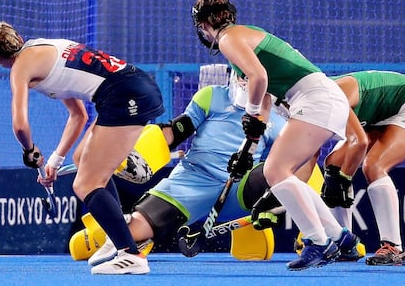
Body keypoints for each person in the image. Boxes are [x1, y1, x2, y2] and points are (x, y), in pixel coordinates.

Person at [0, 21, 164, 275]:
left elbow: (20, 125)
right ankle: (117, 234)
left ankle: (131, 254)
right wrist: (54, 162)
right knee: (82, 159)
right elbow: (78, 115)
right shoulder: (43, 49)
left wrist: (30, 150)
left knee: (85, 185)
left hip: (122, 95)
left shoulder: (20, 67)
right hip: (131, 85)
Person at [190, 0, 360, 270]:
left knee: (275, 170)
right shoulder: (244, 35)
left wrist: (252, 114)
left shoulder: (227, 38)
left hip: (316, 98)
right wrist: (250, 146)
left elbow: (259, 79)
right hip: (322, 97)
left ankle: (318, 241)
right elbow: (265, 98)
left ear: (204, 24)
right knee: (282, 171)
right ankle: (340, 238)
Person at [84, 64, 297, 266]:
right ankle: (95, 236)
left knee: (275, 169)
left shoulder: (278, 122)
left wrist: (298, 217)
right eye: (246, 75)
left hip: (238, 190)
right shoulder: (212, 96)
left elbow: (291, 164)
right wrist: (135, 152)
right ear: (236, 74)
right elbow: (176, 131)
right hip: (190, 181)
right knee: (129, 234)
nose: (250, 82)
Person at [321, 70, 405, 266]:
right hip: (379, 115)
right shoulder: (309, 107)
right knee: (333, 165)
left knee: (373, 165)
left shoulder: (334, 95)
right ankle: (344, 245)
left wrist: (343, 177)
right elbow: (309, 156)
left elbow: (358, 142)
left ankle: (394, 248)